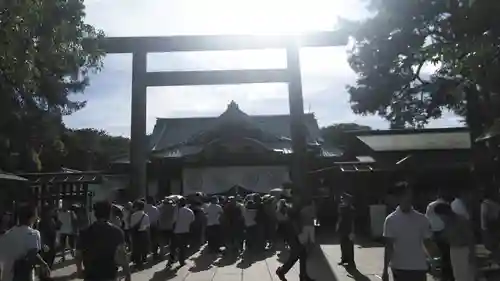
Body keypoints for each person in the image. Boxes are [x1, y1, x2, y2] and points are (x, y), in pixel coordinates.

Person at [382, 182, 437, 281]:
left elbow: (428, 243)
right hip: (399, 268)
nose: (408, 198)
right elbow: (389, 246)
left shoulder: (422, 219)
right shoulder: (391, 220)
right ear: (398, 198)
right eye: (405, 195)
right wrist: (385, 270)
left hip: (418, 267)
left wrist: (435, 262)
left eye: (410, 195)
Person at [75, 201, 131, 281]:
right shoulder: (117, 232)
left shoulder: (84, 232)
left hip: (90, 274)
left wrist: (79, 270)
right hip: (109, 274)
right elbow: (122, 255)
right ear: (109, 214)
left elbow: (78, 255)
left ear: (95, 214)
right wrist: (127, 273)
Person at [0, 204, 50, 281]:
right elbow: (32, 255)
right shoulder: (33, 233)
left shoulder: (8, 234)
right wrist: (44, 264)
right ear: (32, 218)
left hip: (6, 276)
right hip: (23, 276)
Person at [434, 203, 476, 281]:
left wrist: (472, 253)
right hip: (453, 249)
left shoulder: (461, 220)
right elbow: (448, 236)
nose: (441, 218)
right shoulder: (447, 223)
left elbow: (470, 237)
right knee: (457, 275)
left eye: (441, 216)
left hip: (464, 250)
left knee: (466, 275)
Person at [276, 198, 315, 281]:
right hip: (292, 236)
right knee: (296, 254)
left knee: (302, 254)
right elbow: (291, 224)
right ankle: (282, 271)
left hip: (292, 236)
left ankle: (303, 276)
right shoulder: (285, 212)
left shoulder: (287, 211)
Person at [426, 189, 454, 281]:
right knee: (446, 253)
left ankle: (438, 271)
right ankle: (446, 273)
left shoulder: (430, 205)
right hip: (444, 231)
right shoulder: (446, 205)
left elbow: (427, 219)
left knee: (436, 253)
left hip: (434, 231)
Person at [167, 197, 194, 267]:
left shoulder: (177, 211)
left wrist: (172, 230)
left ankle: (171, 260)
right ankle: (181, 261)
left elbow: (174, 221)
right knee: (183, 248)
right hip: (185, 231)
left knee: (173, 247)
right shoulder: (190, 211)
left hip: (177, 232)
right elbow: (192, 221)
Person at [480, 188, 500, 263]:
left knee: (490, 245)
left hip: (488, 227)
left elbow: (484, 215)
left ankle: (496, 260)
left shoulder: (485, 204)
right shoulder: (496, 204)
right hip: (495, 226)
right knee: (495, 245)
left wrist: (484, 227)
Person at [337, 193, 355, 268]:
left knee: (349, 245)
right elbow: (340, 217)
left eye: (343, 199)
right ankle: (344, 259)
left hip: (348, 228)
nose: (342, 200)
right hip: (342, 228)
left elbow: (352, 221)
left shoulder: (351, 209)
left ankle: (350, 260)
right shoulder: (341, 207)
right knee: (343, 245)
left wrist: (353, 230)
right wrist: (337, 225)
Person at [130, 200, 150, 268]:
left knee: (136, 248)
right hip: (143, 233)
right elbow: (147, 227)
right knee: (144, 247)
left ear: (137, 207)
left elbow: (132, 226)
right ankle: (144, 259)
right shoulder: (146, 215)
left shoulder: (133, 215)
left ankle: (138, 261)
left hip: (136, 234)